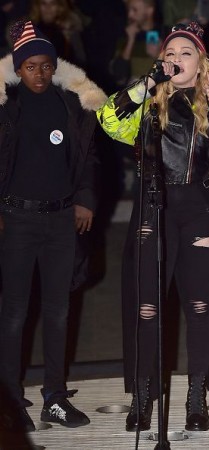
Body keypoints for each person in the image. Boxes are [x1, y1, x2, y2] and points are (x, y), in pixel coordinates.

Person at [97, 21, 209, 432]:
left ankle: (195, 396)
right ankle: (143, 395)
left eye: (186, 53)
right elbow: (108, 121)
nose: (176, 59)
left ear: (202, 63)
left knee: (199, 306)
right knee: (148, 308)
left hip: (201, 208)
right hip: (152, 210)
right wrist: (144, 85)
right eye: (170, 53)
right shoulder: (147, 103)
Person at [0, 19, 106, 432]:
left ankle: (55, 397)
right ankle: (9, 397)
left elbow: (87, 158)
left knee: (59, 310)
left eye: (46, 66)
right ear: (17, 68)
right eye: (31, 67)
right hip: (17, 219)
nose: (39, 74)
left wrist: (84, 199)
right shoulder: (8, 105)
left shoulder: (68, 103)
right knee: (13, 312)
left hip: (62, 219)